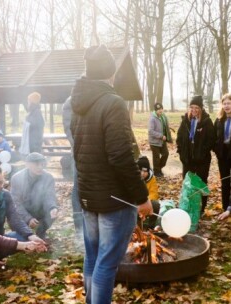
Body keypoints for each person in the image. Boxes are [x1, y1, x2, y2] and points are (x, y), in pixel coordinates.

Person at [70, 44, 152, 304]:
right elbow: (119, 156)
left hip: (88, 196)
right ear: (109, 73)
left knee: (93, 257)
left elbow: (80, 150)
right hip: (114, 200)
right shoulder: (112, 102)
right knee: (106, 264)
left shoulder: (77, 104)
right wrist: (141, 197)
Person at [0, 160, 45, 247]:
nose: (1, 186)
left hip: (0, 238)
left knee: (24, 237)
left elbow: (14, 218)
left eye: (3, 182)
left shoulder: (5, 195)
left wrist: (30, 235)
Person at [176, 95, 215, 214]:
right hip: (187, 160)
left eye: (196, 107)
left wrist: (202, 153)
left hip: (202, 160)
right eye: (191, 107)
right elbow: (179, 138)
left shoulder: (206, 122)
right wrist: (181, 153)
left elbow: (211, 140)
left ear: (201, 108)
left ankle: (201, 209)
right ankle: (187, 207)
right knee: (187, 183)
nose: (194, 110)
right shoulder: (185, 121)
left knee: (201, 183)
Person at [10, 152, 58, 240]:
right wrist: (28, 218)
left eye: (42, 164)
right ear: (27, 165)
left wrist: (52, 208)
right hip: (23, 211)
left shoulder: (48, 177)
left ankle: (41, 231)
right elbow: (15, 203)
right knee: (15, 217)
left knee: (52, 211)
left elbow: (49, 196)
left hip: (39, 209)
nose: (40, 167)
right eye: (36, 164)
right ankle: (23, 232)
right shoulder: (17, 178)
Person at [62, 96, 84, 249]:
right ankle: (79, 230)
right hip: (79, 154)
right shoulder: (71, 101)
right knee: (78, 189)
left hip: (96, 156)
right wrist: (80, 148)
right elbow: (69, 130)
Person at [148, 102, 172, 178]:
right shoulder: (152, 119)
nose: (160, 110)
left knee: (166, 154)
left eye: (161, 109)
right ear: (155, 110)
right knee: (156, 158)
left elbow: (166, 127)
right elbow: (150, 131)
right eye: (158, 109)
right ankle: (157, 172)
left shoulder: (163, 117)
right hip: (154, 142)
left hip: (162, 141)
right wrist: (161, 136)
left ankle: (158, 169)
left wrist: (168, 136)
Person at [137, 155, 161, 229]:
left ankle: (150, 227)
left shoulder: (152, 179)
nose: (143, 173)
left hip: (146, 202)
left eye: (145, 171)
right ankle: (137, 227)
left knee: (156, 204)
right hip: (134, 204)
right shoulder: (133, 178)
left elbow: (154, 194)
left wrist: (146, 201)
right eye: (140, 171)